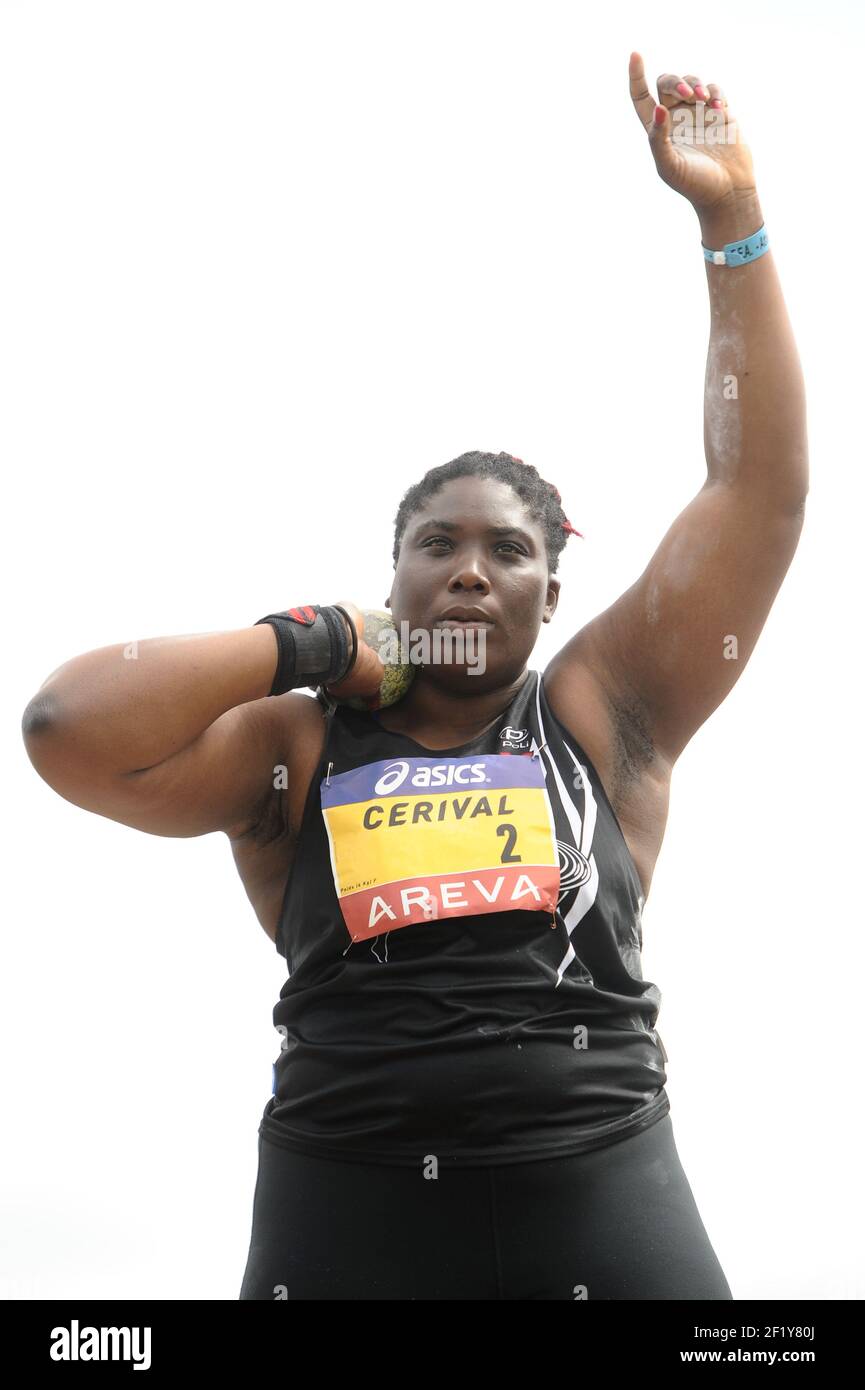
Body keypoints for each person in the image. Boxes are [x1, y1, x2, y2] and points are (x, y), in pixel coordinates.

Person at [21, 56, 807, 1300]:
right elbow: (68, 729)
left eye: (509, 552)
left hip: (598, 1177)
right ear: (389, 578)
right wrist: (310, 643)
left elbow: (753, 497)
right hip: (346, 1196)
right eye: (435, 545)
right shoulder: (294, 740)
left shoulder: (603, 711)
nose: (469, 572)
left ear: (552, 592)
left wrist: (730, 223)